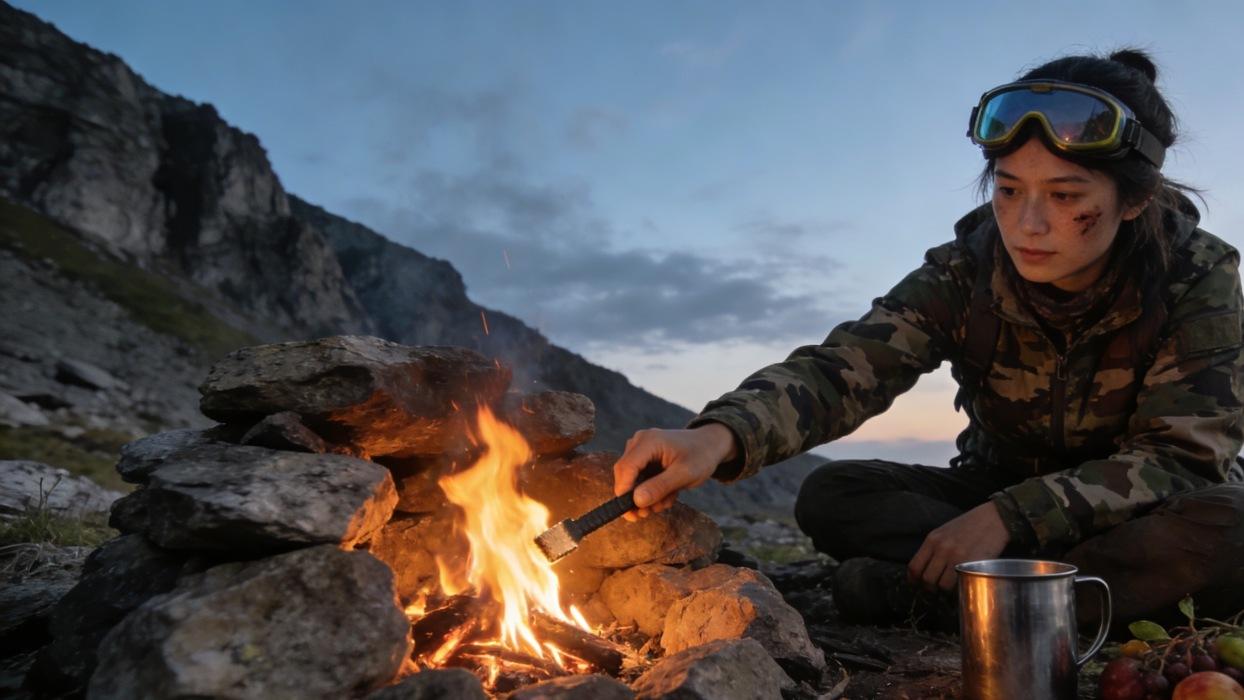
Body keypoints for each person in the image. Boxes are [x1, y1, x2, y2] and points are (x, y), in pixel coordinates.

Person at [612, 48, 1244, 629]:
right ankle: (1061, 596)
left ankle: (955, 598)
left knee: (1232, 526)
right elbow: (843, 370)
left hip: (1131, 515)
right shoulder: (965, 269)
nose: (1027, 224)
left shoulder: (1197, 277)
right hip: (991, 489)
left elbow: (1180, 460)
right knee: (834, 494)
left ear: (1134, 201)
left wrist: (1009, 520)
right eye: (1008, 189)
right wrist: (717, 434)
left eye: (1064, 195)